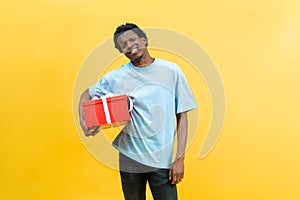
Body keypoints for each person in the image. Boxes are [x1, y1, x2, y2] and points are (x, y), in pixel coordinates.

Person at [79, 23, 197, 200]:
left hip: (162, 158)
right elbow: (86, 94)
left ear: (144, 40)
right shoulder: (117, 76)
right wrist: (85, 121)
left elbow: (182, 116)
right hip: (130, 157)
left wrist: (180, 158)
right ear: (121, 51)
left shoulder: (171, 71)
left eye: (132, 39)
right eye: (123, 44)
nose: (129, 45)